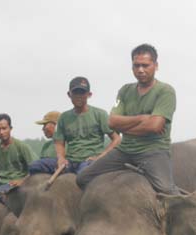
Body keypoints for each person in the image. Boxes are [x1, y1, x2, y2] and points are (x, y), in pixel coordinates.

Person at [76, 44, 177, 194]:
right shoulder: (125, 91)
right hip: (125, 150)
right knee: (82, 178)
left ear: (156, 66)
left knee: (166, 190)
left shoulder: (165, 91)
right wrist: (142, 118)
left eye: (145, 65)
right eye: (136, 65)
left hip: (153, 150)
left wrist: (125, 128)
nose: (140, 70)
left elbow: (155, 126)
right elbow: (111, 122)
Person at [28, 77, 120, 175]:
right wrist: (61, 158)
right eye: (75, 93)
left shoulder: (99, 114)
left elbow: (117, 139)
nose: (79, 96)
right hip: (70, 161)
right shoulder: (64, 117)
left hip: (89, 161)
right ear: (69, 94)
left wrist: (101, 157)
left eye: (82, 93)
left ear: (89, 95)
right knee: (34, 166)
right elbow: (59, 142)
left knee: (83, 175)